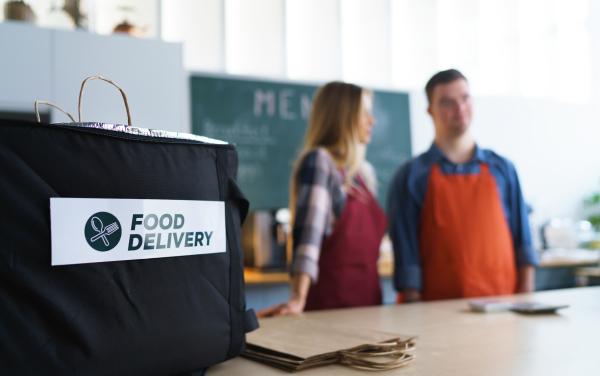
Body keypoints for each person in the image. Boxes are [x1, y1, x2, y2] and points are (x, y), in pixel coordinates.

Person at [387, 69, 538, 303]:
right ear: (430, 111)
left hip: (503, 309)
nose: (460, 108)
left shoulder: (503, 169)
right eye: (447, 102)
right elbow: (407, 262)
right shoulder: (411, 176)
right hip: (437, 314)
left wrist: (526, 301)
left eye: (465, 98)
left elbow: (524, 244)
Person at [257, 81, 387, 317]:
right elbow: (308, 238)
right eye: (365, 114)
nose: (372, 121)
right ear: (343, 117)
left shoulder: (363, 174)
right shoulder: (320, 162)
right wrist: (298, 298)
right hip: (331, 309)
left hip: (369, 306)